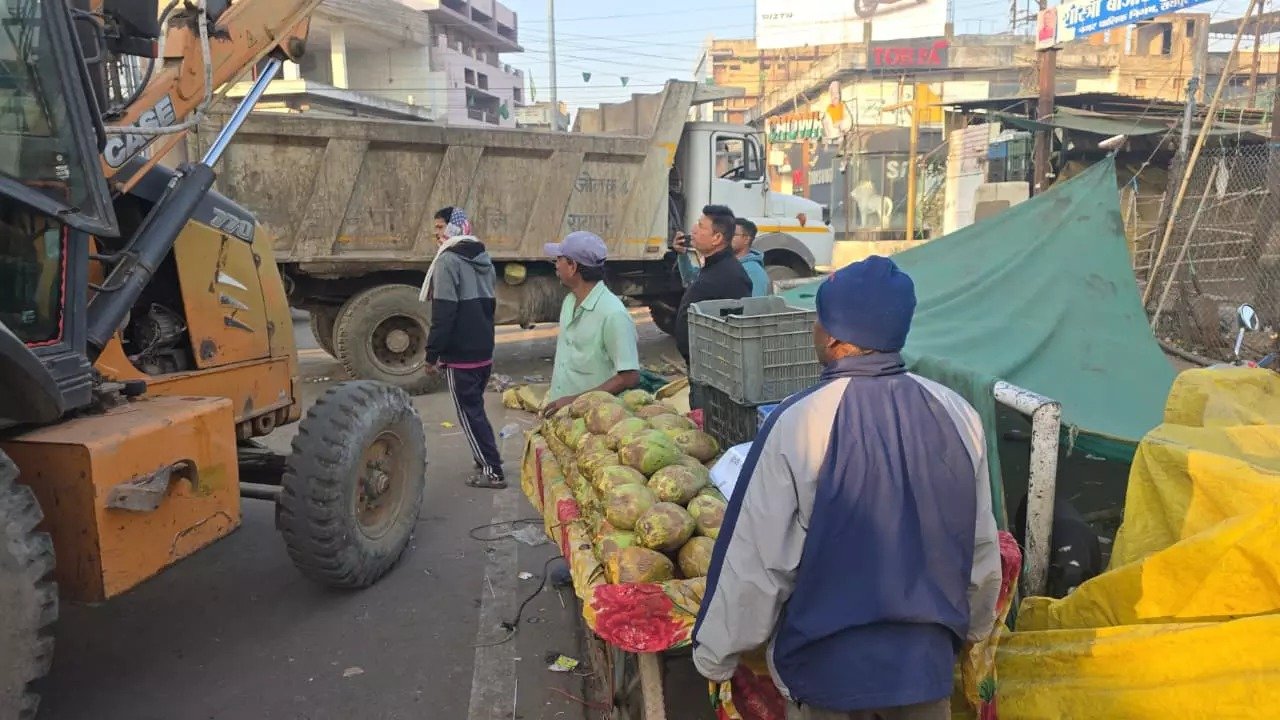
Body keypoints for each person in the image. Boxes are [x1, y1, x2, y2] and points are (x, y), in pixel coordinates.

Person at [691, 256, 1003, 720]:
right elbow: (978, 547)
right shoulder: (958, 414)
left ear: (835, 335)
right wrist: (975, 627)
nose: (814, 330)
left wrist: (715, 653)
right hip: (924, 670)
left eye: (818, 320)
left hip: (828, 676)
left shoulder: (799, 423)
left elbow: (756, 563)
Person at [422, 207, 506, 490]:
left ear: (454, 228)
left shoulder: (448, 261)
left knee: (469, 413)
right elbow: (490, 305)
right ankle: (485, 456)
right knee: (476, 409)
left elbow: (444, 312)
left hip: (460, 353)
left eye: (439, 227)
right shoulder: (483, 256)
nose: (436, 233)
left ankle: (492, 471)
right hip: (483, 348)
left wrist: (432, 354)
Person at [540, 231, 641, 417]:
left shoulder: (613, 314)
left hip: (595, 420)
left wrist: (575, 401)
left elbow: (629, 377)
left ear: (572, 266)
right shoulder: (569, 302)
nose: (556, 265)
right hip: (563, 414)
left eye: (559, 260)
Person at [672, 205, 753, 365]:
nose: (693, 230)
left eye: (701, 226)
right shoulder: (712, 267)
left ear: (717, 238)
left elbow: (733, 333)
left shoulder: (732, 277)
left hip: (715, 372)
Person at [676, 217, 769, 298]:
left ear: (746, 239)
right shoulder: (721, 264)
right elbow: (690, 279)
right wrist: (682, 254)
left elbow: (752, 312)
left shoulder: (754, 272)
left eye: (733, 235)